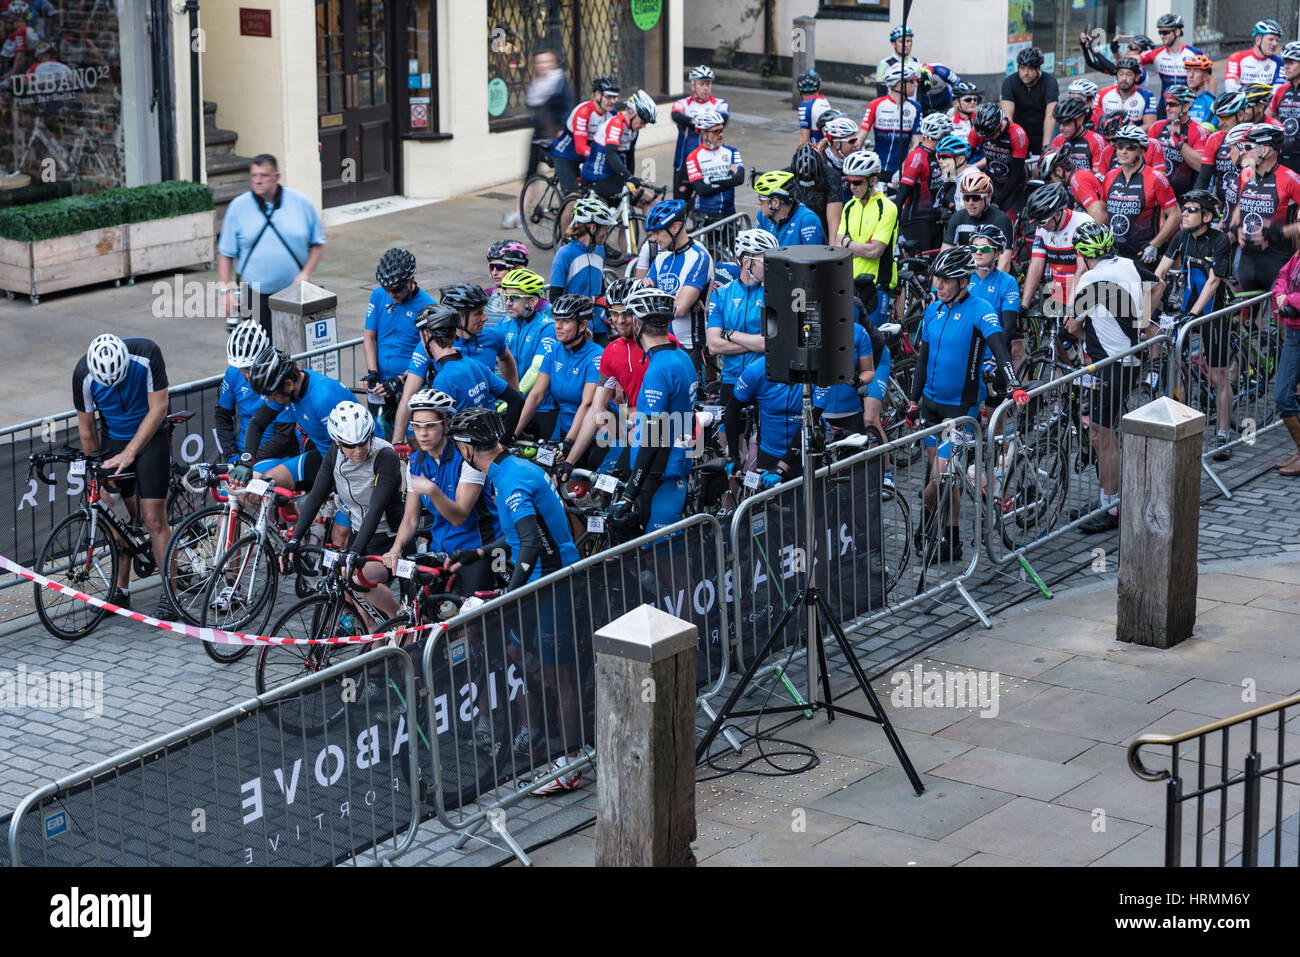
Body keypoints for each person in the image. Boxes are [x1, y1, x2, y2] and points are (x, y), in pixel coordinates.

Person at [447, 405, 583, 787]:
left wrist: (510, 592)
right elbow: (522, 532)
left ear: (468, 449)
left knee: (562, 674)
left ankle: (571, 765)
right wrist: (479, 552)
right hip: (544, 576)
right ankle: (556, 743)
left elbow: (530, 543)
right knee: (527, 656)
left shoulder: (510, 481)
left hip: (552, 579)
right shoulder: (512, 469)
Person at [905, 246, 1025, 561]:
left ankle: (925, 521)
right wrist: (912, 400)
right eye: (936, 279)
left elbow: (1000, 347)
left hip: (960, 410)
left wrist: (1012, 383)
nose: (937, 285)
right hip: (931, 406)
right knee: (944, 479)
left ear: (963, 280)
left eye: (945, 280)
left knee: (940, 477)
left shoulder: (979, 308)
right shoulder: (934, 309)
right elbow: (923, 360)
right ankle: (952, 540)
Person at [1067, 222, 1163, 532]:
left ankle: (1111, 507)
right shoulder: (1128, 263)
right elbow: (1159, 283)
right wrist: (1143, 320)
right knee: (1110, 432)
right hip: (1131, 359)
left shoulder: (1091, 279)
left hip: (1109, 364)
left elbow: (1071, 326)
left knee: (1100, 434)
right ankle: (1113, 497)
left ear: (1083, 254)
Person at [72, 335, 175, 617]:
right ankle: (120, 592)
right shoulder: (83, 373)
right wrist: (97, 469)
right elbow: (87, 429)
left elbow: (159, 409)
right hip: (113, 441)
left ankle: (171, 595)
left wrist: (130, 453)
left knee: (154, 519)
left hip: (151, 437)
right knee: (117, 520)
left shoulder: (147, 354)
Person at [279, 401, 403, 624]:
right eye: (350, 445)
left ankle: (400, 620)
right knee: (362, 612)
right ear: (337, 442)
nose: (358, 450)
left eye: (363, 442)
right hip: (360, 533)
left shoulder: (385, 456)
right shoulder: (335, 453)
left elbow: (376, 509)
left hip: (390, 538)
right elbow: (316, 496)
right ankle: (376, 645)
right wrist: (294, 539)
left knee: (357, 580)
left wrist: (353, 552)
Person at [384, 388, 496, 602]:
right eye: (416, 426)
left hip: (476, 549)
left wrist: (433, 492)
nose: (422, 434)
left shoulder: (467, 456)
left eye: (430, 426)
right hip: (441, 551)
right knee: (416, 612)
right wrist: (395, 549)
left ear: (446, 422)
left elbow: (460, 515)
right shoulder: (416, 463)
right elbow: (410, 518)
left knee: (469, 621)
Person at [1155, 190, 1235, 458]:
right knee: (1178, 371)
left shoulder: (1220, 240)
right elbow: (1160, 271)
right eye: (1184, 209)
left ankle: (1223, 433)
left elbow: (1214, 281)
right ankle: (1184, 427)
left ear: (1207, 216)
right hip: (1188, 314)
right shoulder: (1181, 237)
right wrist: (1149, 304)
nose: (1185, 214)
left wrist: (1195, 313)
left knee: (1216, 377)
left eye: (1191, 210)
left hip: (1214, 313)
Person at [612, 288, 698, 535]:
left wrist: (631, 493)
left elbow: (652, 439)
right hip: (675, 467)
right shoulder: (682, 357)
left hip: (658, 475)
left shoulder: (658, 369)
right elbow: (687, 418)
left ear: (637, 324)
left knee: (660, 560)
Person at [217, 154, 325, 333]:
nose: (258, 181)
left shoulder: (301, 203)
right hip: (255, 296)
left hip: (296, 293)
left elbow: (317, 244)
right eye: (254, 176)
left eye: (264, 176)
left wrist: (306, 273)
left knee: (296, 350)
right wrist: (225, 290)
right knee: (259, 352)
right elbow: (225, 253)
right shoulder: (238, 207)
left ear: (277, 177)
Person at [513, 294, 619, 473]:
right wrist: (514, 432)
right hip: (564, 427)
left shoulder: (596, 356)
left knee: (589, 487)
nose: (558, 326)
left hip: (598, 432)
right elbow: (536, 395)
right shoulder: (554, 350)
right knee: (547, 473)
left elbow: (587, 404)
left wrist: (568, 443)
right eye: (556, 320)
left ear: (583, 325)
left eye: (566, 321)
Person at [391, 303, 523, 442]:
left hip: (463, 456)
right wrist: (505, 440)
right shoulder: (476, 365)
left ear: (427, 335)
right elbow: (517, 400)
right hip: (487, 446)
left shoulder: (443, 380)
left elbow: (440, 435)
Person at [561, 277, 650, 479]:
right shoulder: (611, 352)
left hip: (663, 429)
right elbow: (596, 409)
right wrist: (569, 461)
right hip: (634, 430)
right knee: (605, 487)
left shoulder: (660, 344)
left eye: (627, 312)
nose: (619, 320)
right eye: (614, 313)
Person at [240, 344, 357, 493]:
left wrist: (321, 495)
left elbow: (348, 451)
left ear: (288, 384)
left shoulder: (322, 398)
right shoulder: (293, 389)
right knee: (258, 489)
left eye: (272, 394)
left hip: (352, 462)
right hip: (326, 456)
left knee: (313, 509)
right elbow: (257, 424)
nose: (269, 400)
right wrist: (246, 460)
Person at [362, 247, 434, 436]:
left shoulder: (427, 306)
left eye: (397, 290)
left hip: (411, 386)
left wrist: (401, 380)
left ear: (411, 280)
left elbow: (430, 354)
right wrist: (372, 372)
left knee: (412, 442)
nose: (392, 294)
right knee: (378, 440)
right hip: (381, 387)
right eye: (388, 290)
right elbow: (370, 337)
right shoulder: (379, 295)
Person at [706, 229, 774, 410]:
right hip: (731, 379)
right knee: (726, 435)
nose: (770, 266)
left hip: (764, 378)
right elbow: (713, 346)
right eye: (764, 261)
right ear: (746, 262)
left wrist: (731, 334)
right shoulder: (721, 294)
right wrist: (755, 342)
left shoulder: (773, 293)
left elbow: (770, 343)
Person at [215, 321, 299, 467]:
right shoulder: (232, 373)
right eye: (243, 370)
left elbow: (283, 436)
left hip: (276, 455)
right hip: (244, 454)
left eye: (250, 368)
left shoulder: (278, 375)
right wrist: (231, 455)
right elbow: (222, 416)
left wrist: (248, 462)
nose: (247, 376)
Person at [643, 198, 715, 364]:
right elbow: (644, 294)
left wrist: (656, 298)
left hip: (689, 347)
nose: (653, 239)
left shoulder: (699, 256)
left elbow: (679, 309)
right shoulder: (660, 258)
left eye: (657, 232)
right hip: (659, 343)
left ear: (675, 227)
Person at [1231, 124, 1300, 293]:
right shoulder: (1245, 174)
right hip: (1247, 260)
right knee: (1240, 318)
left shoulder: (1290, 179)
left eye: (1248, 146)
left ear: (1265, 150)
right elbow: (1239, 207)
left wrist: (1282, 231)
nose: (1244, 151)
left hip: (1278, 260)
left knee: (1276, 318)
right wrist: (1235, 228)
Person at [508, 50, 573, 228]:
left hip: (557, 139)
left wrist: (561, 130)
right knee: (530, 176)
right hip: (538, 138)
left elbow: (567, 110)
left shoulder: (560, 84)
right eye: (538, 62)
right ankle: (519, 214)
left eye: (545, 62)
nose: (541, 65)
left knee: (565, 176)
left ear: (553, 64)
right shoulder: (536, 85)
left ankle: (567, 213)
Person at [836, 150, 898, 325]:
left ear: (872, 180)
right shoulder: (849, 206)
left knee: (874, 343)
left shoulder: (887, 208)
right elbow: (837, 246)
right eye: (849, 181)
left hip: (875, 286)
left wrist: (848, 243)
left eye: (857, 182)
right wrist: (857, 246)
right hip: (850, 284)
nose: (852, 187)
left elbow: (874, 251)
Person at [1102, 124, 1179, 263]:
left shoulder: (1156, 178)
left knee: (1145, 286)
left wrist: (1155, 244)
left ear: (1142, 151)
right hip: (1113, 254)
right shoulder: (1110, 177)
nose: (1123, 151)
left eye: (1130, 147)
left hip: (1143, 255)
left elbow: (1175, 215)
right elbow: (1103, 212)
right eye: (1120, 146)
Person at [496, 267, 558, 435]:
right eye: (506, 297)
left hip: (542, 407)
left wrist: (512, 397)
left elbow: (536, 369)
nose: (508, 302)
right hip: (512, 403)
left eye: (514, 298)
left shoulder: (547, 327)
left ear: (532, 301)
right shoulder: (504, 324)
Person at [548, 197, 615, 341]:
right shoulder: (565, 254)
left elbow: (600, 288)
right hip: (576, 329)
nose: (607, 232)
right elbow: (554, 298)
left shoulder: (600, 250)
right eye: (605, 228)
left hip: (600, 325)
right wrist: (584, 302)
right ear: (593, 228)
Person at [1022, 181, 1095, 312]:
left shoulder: (1083, 224)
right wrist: (1024, 305)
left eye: (1042, 222)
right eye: (1036, 222)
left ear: (1057, 213)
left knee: (1074, 330)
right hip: (1060, 296)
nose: (1039, 227)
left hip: (1084, 296)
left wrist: (1071, 309)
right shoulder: (1043, 227)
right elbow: (1036, 266)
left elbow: (1082, 270)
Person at [582, 90, 658, 207]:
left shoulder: (633, 131)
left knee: (650, 202)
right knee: (606, 218)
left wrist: (631, 179)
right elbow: (611, 154)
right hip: (597, 175)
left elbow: (630, 157)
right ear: (632, 113)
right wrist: (629, 177)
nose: (643, 126)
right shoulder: (616, 123)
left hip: (615, 176)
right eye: (642, 122)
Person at [550, 75, 619, 196]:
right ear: (597, 95)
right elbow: (581, 148)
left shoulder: (612, 114)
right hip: (566, 156)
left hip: (587, 157)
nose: (612, 101)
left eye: (615, 97)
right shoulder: (584, 112)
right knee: (573, 200)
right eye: (608, 97)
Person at [671, 65, 730, 205]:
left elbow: (724, 118)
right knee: (680, 203)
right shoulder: (682, 104)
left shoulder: (720, 104)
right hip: (684, 160)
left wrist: (693, 121)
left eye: (708, 83)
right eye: (701, 84)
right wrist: (705, 122)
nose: (705, 87)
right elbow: (676, 115)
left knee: (711, 199)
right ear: (692, 85)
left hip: (712, 161)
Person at [441, 282, 518, 389]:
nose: (485, 318)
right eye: (478, 314)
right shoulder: (435, 343)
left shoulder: (494, 336)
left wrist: (515, 393)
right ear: (456, 317)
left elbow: (507, 360)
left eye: (484, 311)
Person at [968, 224, 1024, 367]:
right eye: (974, 248)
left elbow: (1008, 326)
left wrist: (997, 356)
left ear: (998, 253)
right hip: (963, 352)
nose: (978, 252)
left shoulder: (1007, 282)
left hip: (990, 355)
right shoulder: (962, 277)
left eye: (985, 248)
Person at [897, 112, 952, 250]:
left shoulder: (943, 155)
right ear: (940, 136)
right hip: (916, 222)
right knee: (920, 268)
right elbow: (901, 195)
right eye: (948, 134)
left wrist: (950, 206)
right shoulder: (917, 157)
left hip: (935, 220)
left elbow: (941, 187)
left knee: (935, 267)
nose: (950, 138)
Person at [942, 167, 1015, 270]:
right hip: (970, 277)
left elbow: (1004, 264)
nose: (970, 203)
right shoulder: (958, 218)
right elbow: (944, 258)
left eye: (976, 197)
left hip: (996, 276)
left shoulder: (1002, 220)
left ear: (988, 197)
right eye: (966, 198)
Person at [1269, 239, 1300, 474]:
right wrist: (1281, 293)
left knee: (1283, 395)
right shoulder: (1297, 254)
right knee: (1284, 395)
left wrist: (1288, 298)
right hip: (1293, 332)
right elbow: (1281, 276)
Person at [857, 63, 921, 179]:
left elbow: (917, 144)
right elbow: (860, 138)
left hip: (900, 169)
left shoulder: (915, 108)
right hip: (876, 167)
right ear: (900, 84)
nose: (916, 84)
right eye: (912, 81)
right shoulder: (876, 104)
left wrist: (904, 168)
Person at [968, 102, 1029, 221]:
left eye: (989, 135)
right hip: (992, 180)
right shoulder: (980, 131)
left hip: (1014, 183)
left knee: (1006, 221)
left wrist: (997, 203)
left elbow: (1015, 176)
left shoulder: (1017, 134)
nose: (986, 138)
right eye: (983, 136)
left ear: (1000, 126)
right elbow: (963, 159)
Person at [1139, 13, 1206, 115]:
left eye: (1165, 32)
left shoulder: (1195, 54)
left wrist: (1210, 106)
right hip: (1165, 106)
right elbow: (1131, 60)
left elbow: (1211, 78)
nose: (1162, 35)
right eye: (1160, 32)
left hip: (1189, 107)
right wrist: (1116, 50)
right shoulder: (1157, 54)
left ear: (1177, 32)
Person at [685, 110, 745, 224]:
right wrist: (729, 178)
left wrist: (711, 180)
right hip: (705, 215)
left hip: (729, 213)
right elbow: (701, 189)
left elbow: (739, 178)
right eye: (716, 131)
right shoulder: (693, 157)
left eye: (722, 130)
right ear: (704, 134)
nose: (721, 134)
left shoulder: (732, 151)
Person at [1195, 92, 1252, 212]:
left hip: (1249, 205)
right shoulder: (1214, 139)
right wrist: (1194, 204)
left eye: (1225, 117)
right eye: (1219, 118)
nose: (1220, 123)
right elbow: (1204, 178)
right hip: (1222, 205)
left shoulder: (1253, 138)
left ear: (1240, 115)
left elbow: (1255, 180)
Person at [1000, 46, 1059, 157]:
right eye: (1022, 68)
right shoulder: (1010, 82)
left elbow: (1050, 115)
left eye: (1030, 69)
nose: (1025, 73)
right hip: (1019, 133)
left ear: (1038, 68)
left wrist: (1046, 147)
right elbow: (1008, 117)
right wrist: (1016, 144)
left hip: (1041, 133)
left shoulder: (1050, 82)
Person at [1149, 86, 1206, 195]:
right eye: (1166, 104)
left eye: (1173, 104)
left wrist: (1180, 145)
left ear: (1185, 107)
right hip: (1157, 194)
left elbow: (1201, 166)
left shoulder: (1197, 131)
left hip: (1184, 197)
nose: (1167, 108)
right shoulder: (1157, 127)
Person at [1040, 149, 1107, 224]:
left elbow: (1099, 217)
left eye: (1049, 178)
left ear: (1059, 171)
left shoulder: (1078, 180)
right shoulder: (1077, 177)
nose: (1050, 183)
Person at [1093, 57, 1158, 132]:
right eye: (1121, 74)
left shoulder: (1147, 96)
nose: (1124, 78)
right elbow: (1096, 123)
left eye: (1129, 74)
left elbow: (1149, 125)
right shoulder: (1102, 93)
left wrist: (1125, 135)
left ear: (1137, 77)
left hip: (1133, 140)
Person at [789, 142, 837, 240]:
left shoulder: (831, 176)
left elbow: (833, 220)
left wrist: (833, 247)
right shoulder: (786, 175)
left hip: (822, 229)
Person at [1046, 96, 1105, 174]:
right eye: (1059, 123)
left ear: (1080, 120)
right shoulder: (1058, 140)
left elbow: (1098, 178)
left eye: (1066, 123)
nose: (1061, 128)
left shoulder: (1096, 141)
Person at [1224, 19, 1284, 93]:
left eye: (1277, 40)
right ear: (1258, 40)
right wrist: (1266, 92)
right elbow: (1230, 89)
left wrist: (1242, 89)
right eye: (1271, 39)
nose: (1275, 44)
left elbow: (1277, 92)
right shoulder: (1236, 58)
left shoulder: (1279, 62)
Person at [484, 239, 532, 324]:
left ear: (517, 268)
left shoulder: (534, 301)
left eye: (500, 267)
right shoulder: (486, 294)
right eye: (491, 267)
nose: (494, 273)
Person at [1269, 43, 1300, 172]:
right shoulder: (1281, 90)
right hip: (1283, 157)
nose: (1285, 67)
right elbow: (1267, 117)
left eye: (1291, 63)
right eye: (1285, 62)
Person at [934, 133, 975, 217]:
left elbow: (967, 215)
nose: (940, 161)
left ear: (960, 159)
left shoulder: (969, 179)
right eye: (938, 156)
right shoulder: (960, 175)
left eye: (945, 157)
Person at [875, 25, 921, 95]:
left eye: (908, 41)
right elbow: (881, 93)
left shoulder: (915, 61)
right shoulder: (885, 64)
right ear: (894, 44)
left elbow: (918, 90)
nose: (906, 45)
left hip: (912, 105)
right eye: (901, 41)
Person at [796, 70, 832, 146]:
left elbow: (804, 140)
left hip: (816, 152)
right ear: (819, 87)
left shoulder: (805, 105)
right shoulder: (825, 102)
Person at [1184, 54, 1217, 124]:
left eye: (1196, 71)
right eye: (1189, 71)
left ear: (1205, 76)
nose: (1191, 75)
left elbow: (1206, 131)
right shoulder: (1179, 98)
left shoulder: (1213, 101)